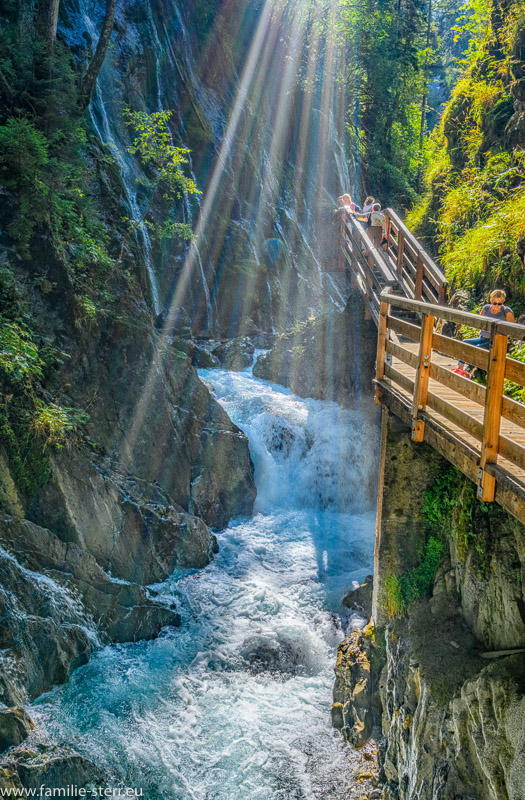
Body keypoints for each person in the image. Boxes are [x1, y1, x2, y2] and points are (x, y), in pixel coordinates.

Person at [452, 289, 515, 377]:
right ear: (491, 300)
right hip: (482, 337)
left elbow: (512, 328)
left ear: (503, 302)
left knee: (478, 348)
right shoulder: (486, 308)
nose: (496, 306)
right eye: (494, 303)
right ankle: (460, 367)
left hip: (495, 341)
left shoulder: (506, 311)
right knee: (465, 343)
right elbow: (479, 323)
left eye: (499, 303)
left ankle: (468, 371)